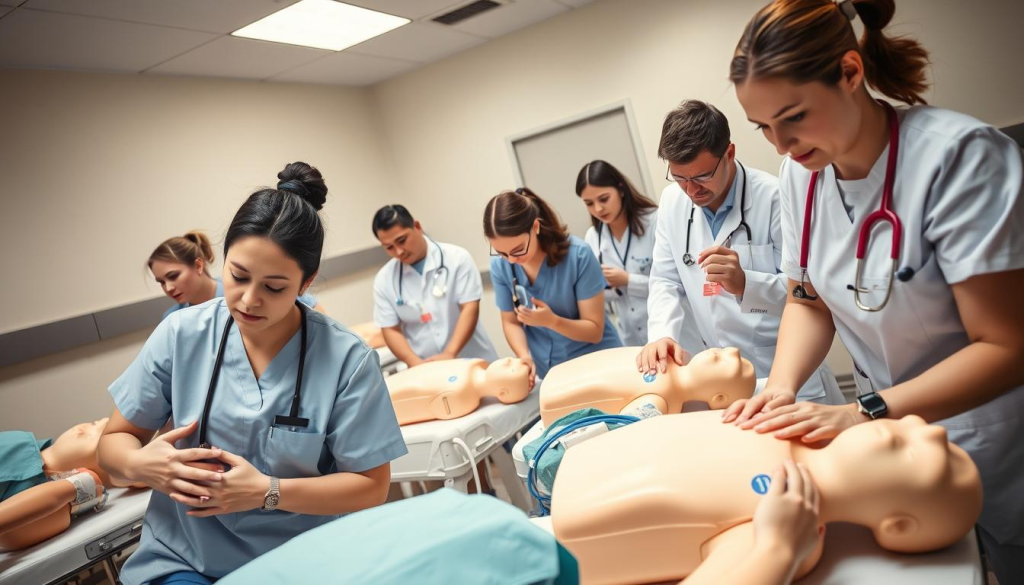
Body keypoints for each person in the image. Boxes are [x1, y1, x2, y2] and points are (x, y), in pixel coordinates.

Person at [724, 1, 1024, 581]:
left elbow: (1007, 346)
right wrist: (781, 389)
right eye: (764, 127)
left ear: (851, 73)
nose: (782, 144)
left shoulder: (959, 158)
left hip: (995, 438)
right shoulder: (802, 175)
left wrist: (865, 412)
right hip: (890, 448)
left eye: (794, 117)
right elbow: (807, 299)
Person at [98, 162, 408, 585]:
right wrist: (140, 465)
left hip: (306, 561)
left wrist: (267, 491)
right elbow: (114, 443)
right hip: (188, 559)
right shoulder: (182, 334)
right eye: (238, 276)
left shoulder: (346, 360)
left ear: (306, 282)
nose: (248, 299)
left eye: (274, 287)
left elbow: (371, 486)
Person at [552, 410, 982, 585]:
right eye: (915, 423)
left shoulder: (794, 522)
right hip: (584, 470)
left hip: (566, 535)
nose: (932, 429)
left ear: (898, 525)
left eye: (932, 456)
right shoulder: (796, 429)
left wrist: (775, 549)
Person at [638, 100, 841, 405]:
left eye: (702, 176)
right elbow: (666, 280)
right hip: (720, 380)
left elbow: (811, 294)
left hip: (784, 370)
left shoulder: (775, 198)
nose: (692, 191)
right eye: (680, 178)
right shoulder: (672, 202)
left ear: (729, 154)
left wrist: (747, 284)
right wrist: (662, 334)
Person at [485, 188, 622, 389]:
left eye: (518, 249)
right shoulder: (500, 266)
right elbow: (511, 322)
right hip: (553, 374)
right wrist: (524, 357)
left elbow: (594, 331)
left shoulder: (578, 256)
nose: (512, 259)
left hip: (600, 365)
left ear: (536, 227)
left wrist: (552, 321)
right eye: (502, 253)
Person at [371, 205, 497, 367]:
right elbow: (390, 329)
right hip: (426, 368)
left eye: (402, 241)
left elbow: (470, 308)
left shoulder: (457, 258)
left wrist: (449, 353)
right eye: (389, 247)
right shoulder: (384, 279)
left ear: (417, 226)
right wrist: (414, 362)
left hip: (472, 358)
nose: (399, 251)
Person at [577, 160, 686, 347]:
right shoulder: (593, 237)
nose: (598, 209)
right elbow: (600, 296)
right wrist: (604, 287)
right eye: (589, 203)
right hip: (630, 338)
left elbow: (677, 284)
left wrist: (628, 280)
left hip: (674, 333)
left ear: (620, 189)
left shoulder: (655, 221)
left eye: (603, 199)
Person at [0, 419, 142, 551]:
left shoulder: (57, 513)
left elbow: (7, 534)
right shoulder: (19, 441)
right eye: (95, 423)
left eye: (100, 434)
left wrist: (77, 486)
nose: (89, 426)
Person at [539, 346, 755, 426]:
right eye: (724, 350)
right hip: (565, 374)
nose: (732, 350)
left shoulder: (662, 401)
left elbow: (622, 426)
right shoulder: (667, 353)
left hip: (561, 393)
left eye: (726, 361)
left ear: (718, 399)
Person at [150, 231, 321, 319]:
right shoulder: (173, 319)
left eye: (173, 276)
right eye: (161, 282)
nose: (168, 288)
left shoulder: (237, 289)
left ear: (198, 265)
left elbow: (313, 308)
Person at [385, 357, 531, 425]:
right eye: (513, 359)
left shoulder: (461, 397)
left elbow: (408, 396)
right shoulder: (477, 363)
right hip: (400, 378)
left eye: (512, 368)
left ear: (503, 393)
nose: (509, 360)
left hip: (387, 396)